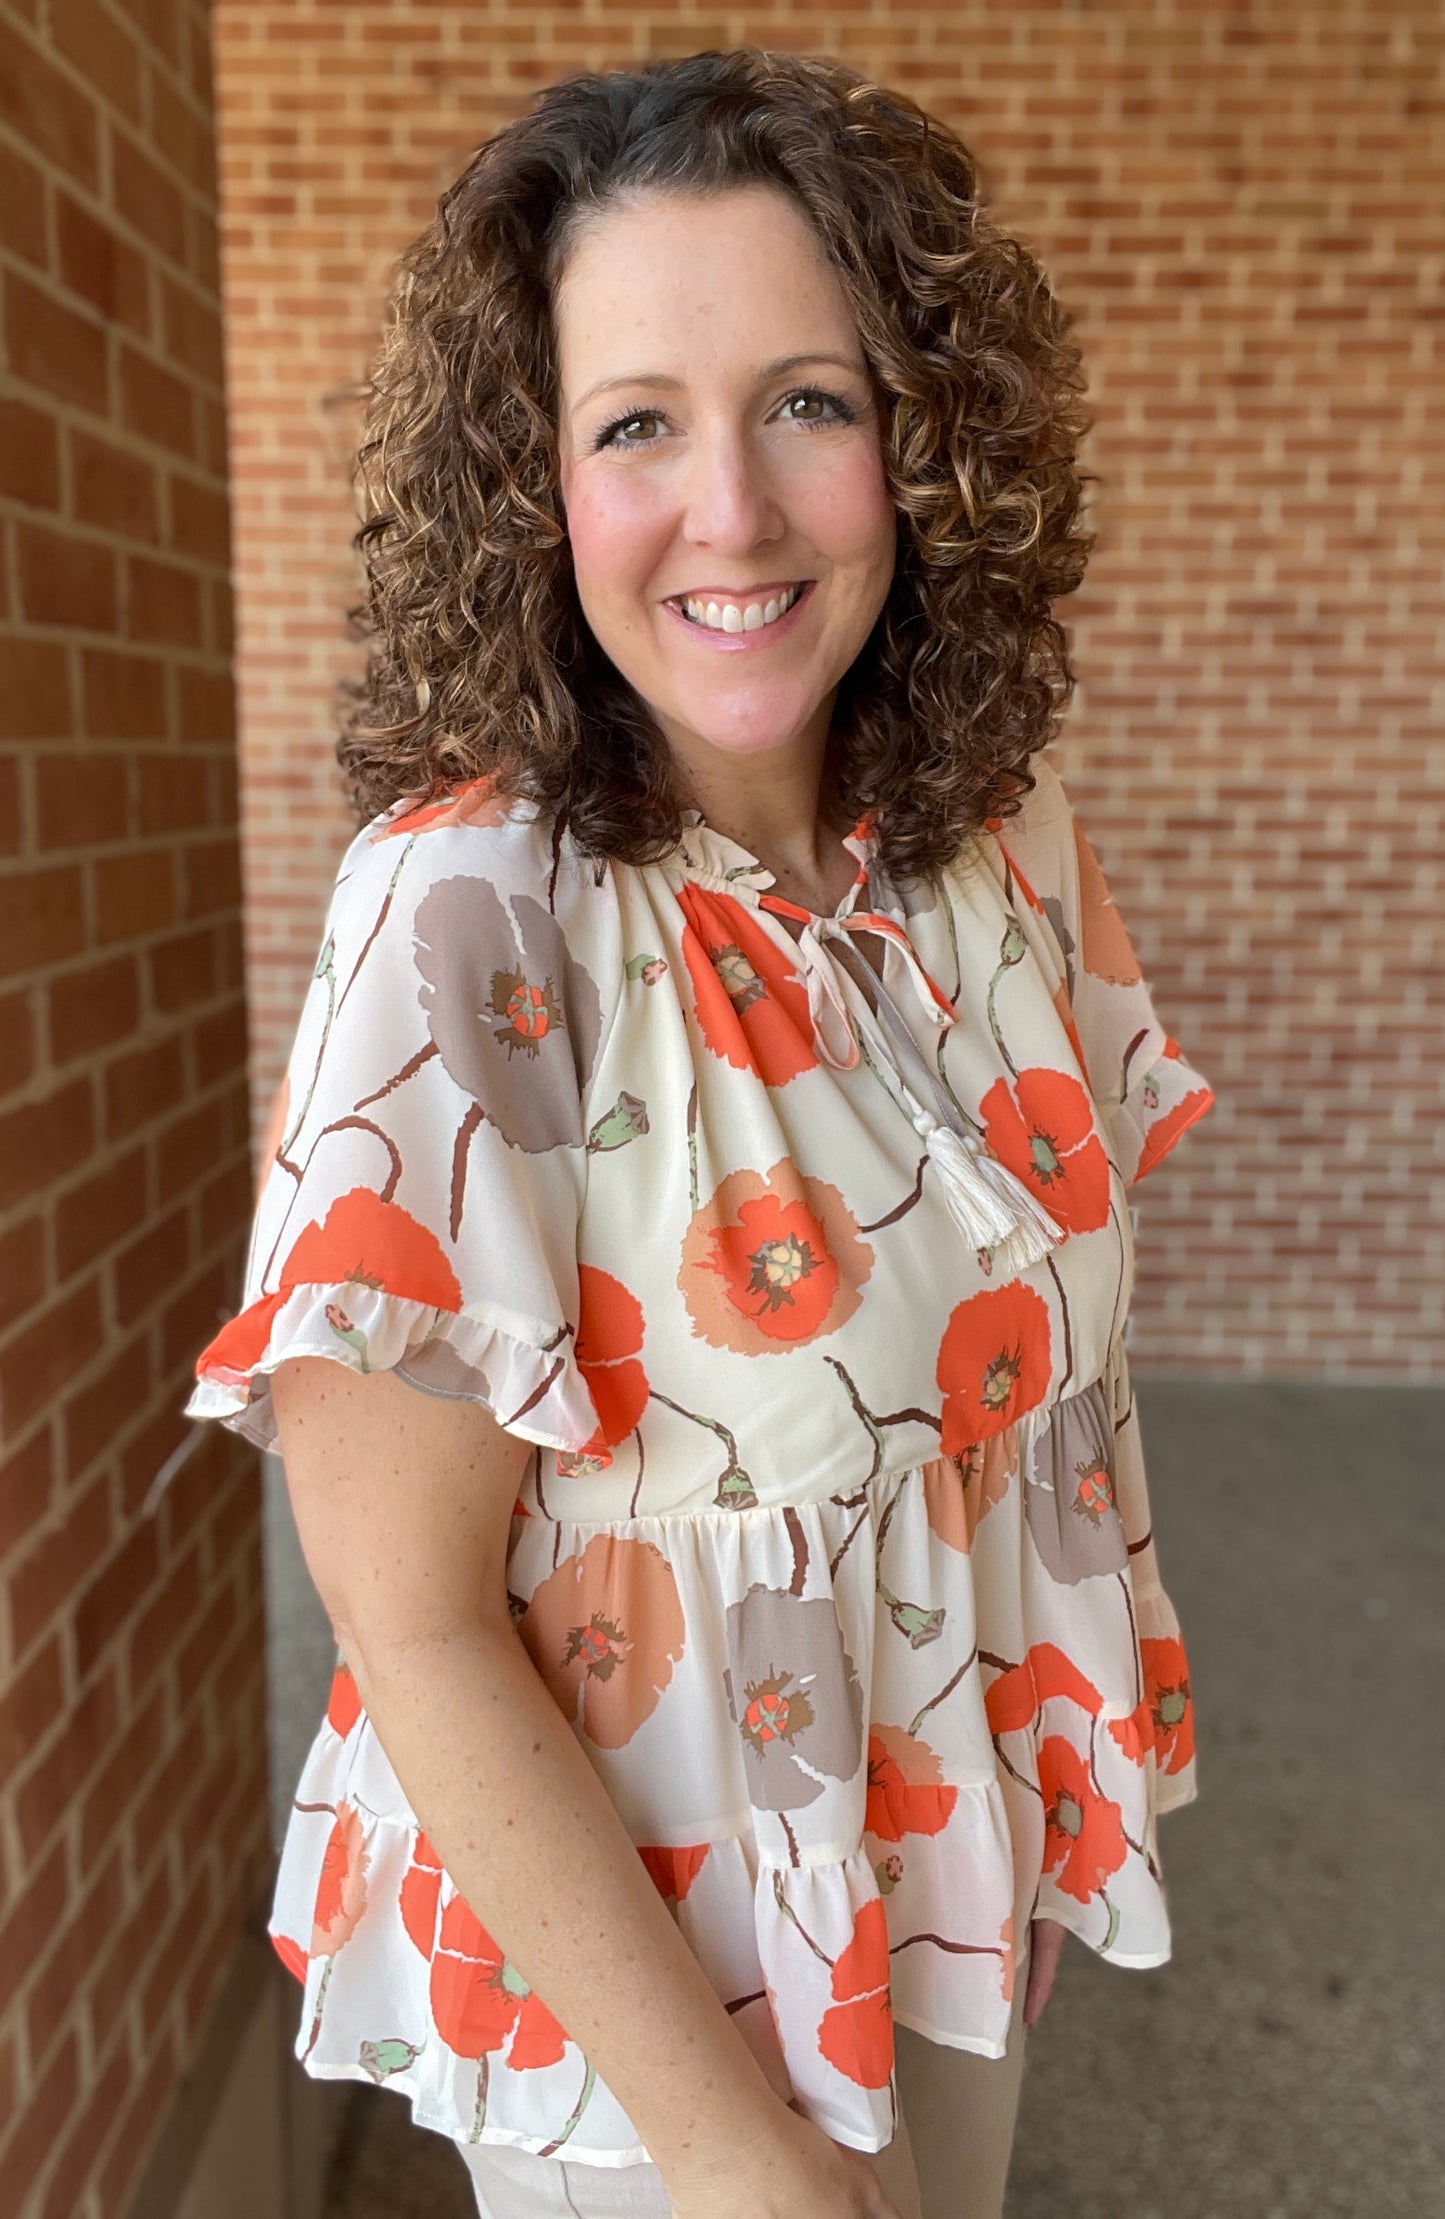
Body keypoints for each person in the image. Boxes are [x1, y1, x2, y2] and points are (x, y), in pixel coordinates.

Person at [188, 49, 1214, 2219]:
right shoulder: (467, 921)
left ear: (921, 445)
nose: (731, 510)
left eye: (810, 404)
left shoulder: (998, 838)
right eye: (635, 422)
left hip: (946, 1907)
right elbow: (411, 1615)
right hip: (651, 2030)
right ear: (534, 485)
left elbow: (1026, 1415)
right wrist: (736, 2161)